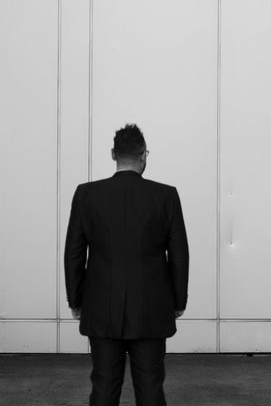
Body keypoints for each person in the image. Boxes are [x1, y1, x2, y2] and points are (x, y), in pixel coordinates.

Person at [64, 124, 189, 405]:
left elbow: (73, 252)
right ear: (144, 155)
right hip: (152, 309)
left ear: (113, 154)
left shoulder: (86, 195)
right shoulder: (166, 196)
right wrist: (178, 300)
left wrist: (76, 300)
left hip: (100, 307)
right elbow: (179, 254)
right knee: (151, 389)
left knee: (104, 388)